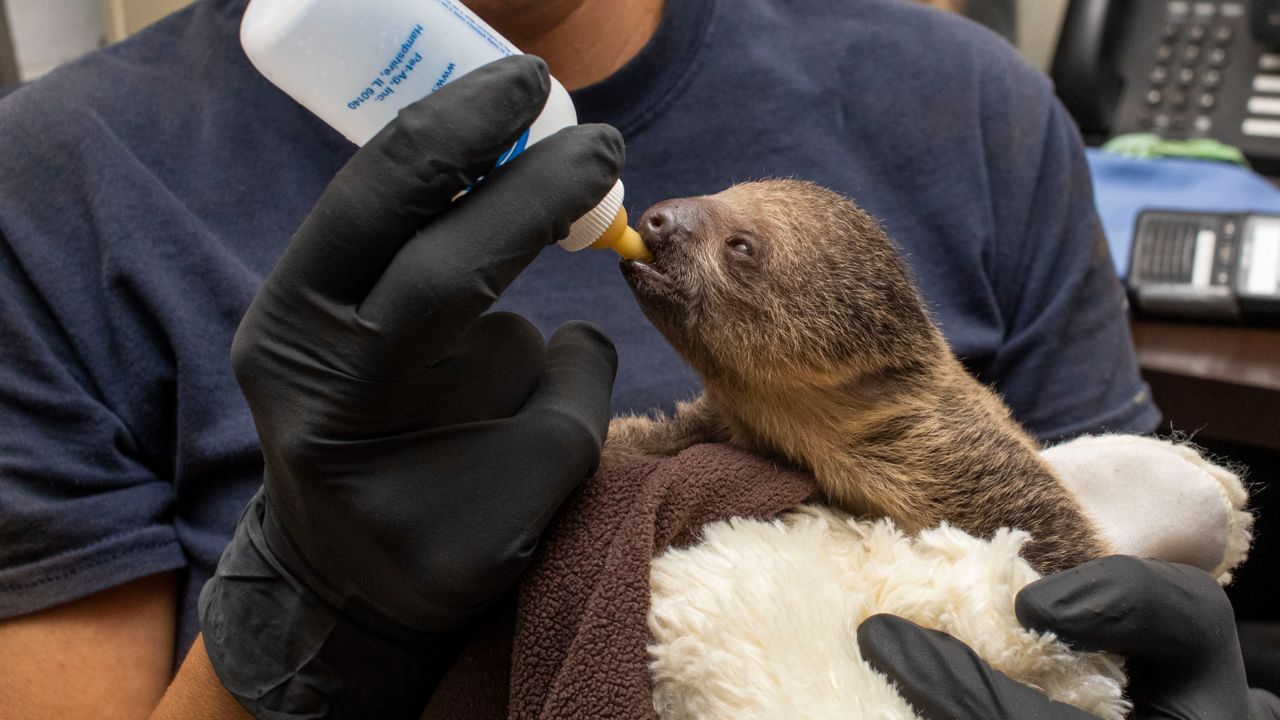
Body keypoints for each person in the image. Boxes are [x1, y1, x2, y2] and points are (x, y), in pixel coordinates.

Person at [4, 0, 1255, 717]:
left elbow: (1115, 534)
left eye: (741, 248)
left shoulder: (968, 106)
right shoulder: (57, 185)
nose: (661, 226)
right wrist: (303, 621)